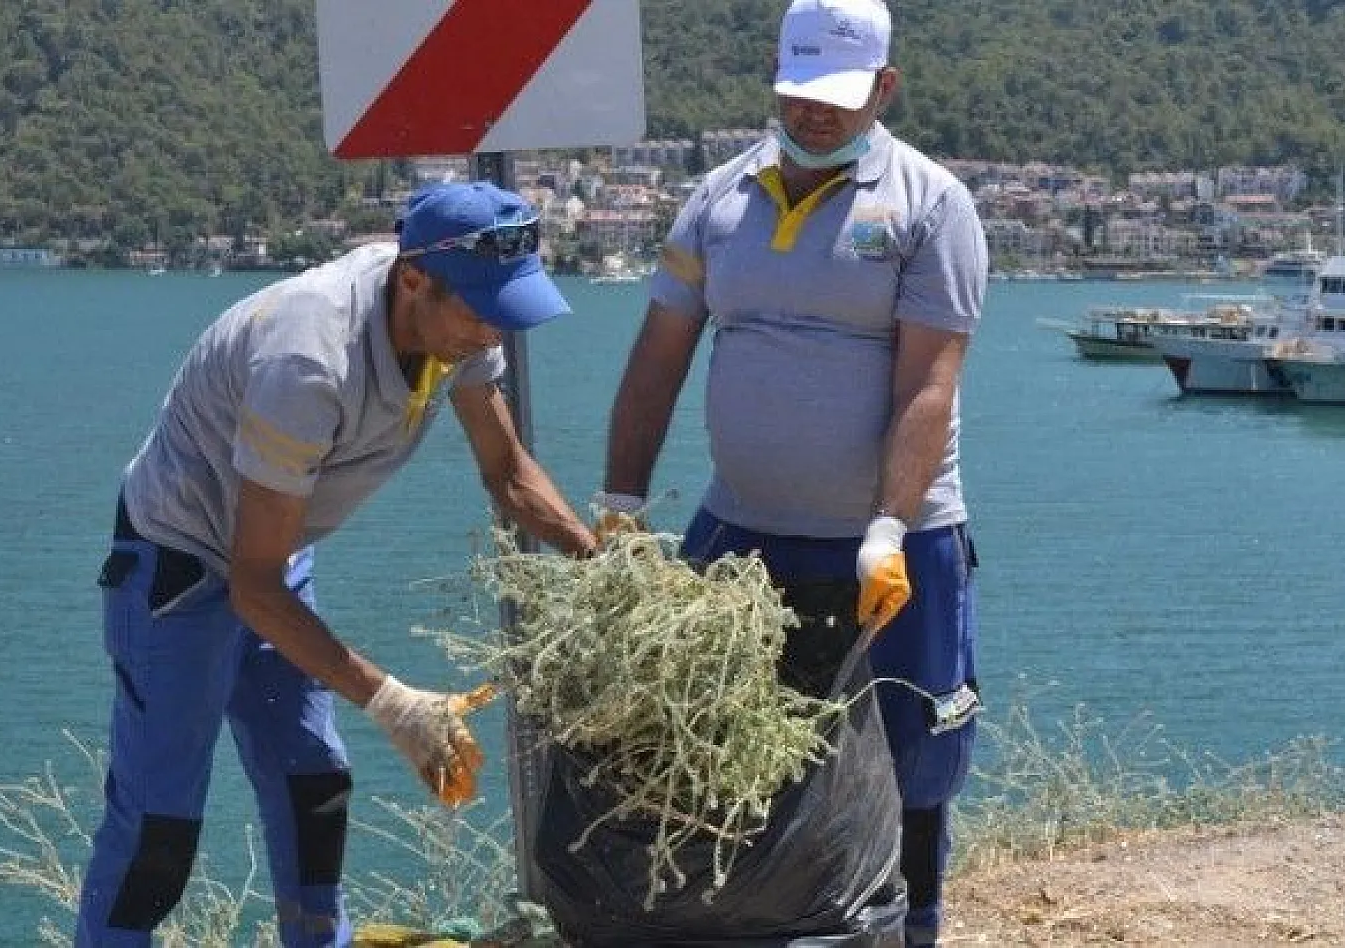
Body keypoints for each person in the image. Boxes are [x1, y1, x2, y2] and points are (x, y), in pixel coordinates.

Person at [75, 181, 598, 947]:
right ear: (413, 279)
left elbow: (508, 471)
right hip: (179, 567)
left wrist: (602, 564)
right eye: (482, 312)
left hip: (270, 551)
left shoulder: (458, 324)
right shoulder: (309, 360)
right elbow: (249, 586)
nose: (493, 333)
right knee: (159, 826)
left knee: (312, 782)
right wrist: (396, 704)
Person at [597, 0, 987, 944]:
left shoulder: (932, 204)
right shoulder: (717, 199)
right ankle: (747, 924)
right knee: (715, 743)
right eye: (797, 91)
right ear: (776, 76)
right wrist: (619, 502)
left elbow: (930, 383)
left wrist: (889, 528)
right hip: (740, 532)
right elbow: (657, 357)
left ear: (884, 88)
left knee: (913, 754)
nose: (814, 113)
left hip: (896, 542)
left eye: (839, 98)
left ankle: (915, 927)